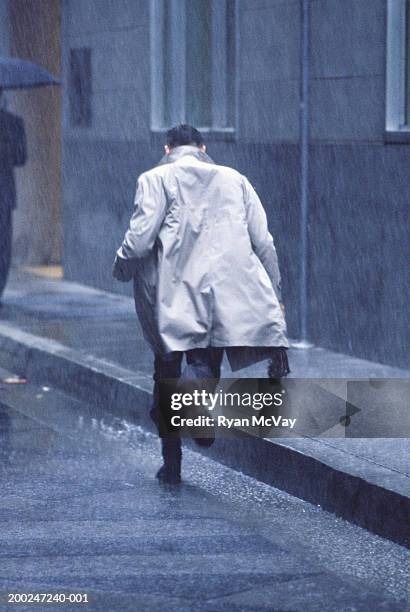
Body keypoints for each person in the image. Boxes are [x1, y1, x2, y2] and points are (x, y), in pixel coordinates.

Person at [113, 124, 289, 484]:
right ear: (203, 147)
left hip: (171, 295)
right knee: (205, 361)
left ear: (167, 149)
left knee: (166, 371)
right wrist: (276, 293)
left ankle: (172, 464)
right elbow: (264, 242)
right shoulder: (234, 179)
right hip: (223, 292)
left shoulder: (155, 178)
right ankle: (196, 409)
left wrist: (121, 267)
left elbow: (140, 240)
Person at [0, 90, 27, 304]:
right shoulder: (13, 122)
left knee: (3, 245)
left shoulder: (13, 123)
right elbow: (20, 158)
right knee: (3, 245)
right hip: (5, 193)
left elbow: (21, 158)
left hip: (4, 194)